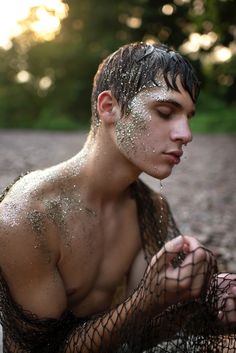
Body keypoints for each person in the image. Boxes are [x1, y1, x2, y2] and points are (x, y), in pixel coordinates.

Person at [0, 42, 235, 353]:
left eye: (188, 117)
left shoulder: (149, 207)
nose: (186, 134)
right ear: (109, 107)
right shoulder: (26, 217)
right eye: (165, 112)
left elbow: (142, 332)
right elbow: (41, 350)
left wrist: (209, 298)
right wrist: (144, 301)